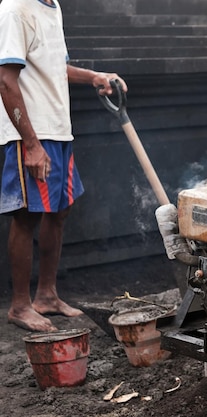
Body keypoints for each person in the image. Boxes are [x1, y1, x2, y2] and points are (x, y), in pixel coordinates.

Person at [0, 0, 128, 332]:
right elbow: (5, 80)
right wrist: (30, 145)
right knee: (27, 216)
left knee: (60, 210)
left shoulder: (52, 7)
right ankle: (19, 306)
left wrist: (94, 77)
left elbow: (56, 68)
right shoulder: (16, 9)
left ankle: (46, 296)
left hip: (58, 130)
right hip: (32, 133)